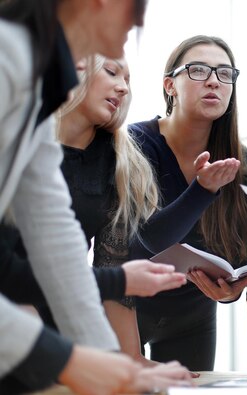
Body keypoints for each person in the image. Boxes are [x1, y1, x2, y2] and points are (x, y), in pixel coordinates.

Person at [0, 0, 192, 393]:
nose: (140, 19)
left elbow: (56, 239)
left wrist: (113, 368)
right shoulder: (8, 60)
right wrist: (68, 360)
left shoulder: (35, 87)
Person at [129, 35, 247, 371]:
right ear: (170, 85)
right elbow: (145, 241)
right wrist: (202, 189)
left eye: (225, 73)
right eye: (198, 70)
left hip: (193, 315)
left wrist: (231, 291)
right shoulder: (136, 143)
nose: (213, 80)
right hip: (127, 307)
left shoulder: (239, 158)